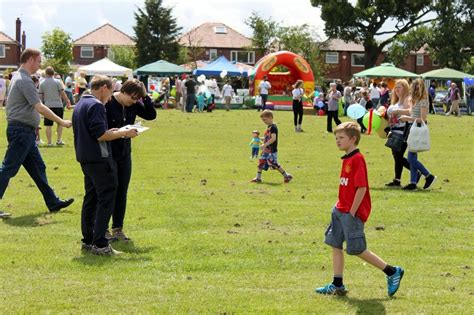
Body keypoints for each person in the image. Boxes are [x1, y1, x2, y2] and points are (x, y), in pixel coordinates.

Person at [315, 121, 404, 297]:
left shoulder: (358, 159)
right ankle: (337, 284)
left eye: (341, 138)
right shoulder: (347, 158)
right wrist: (339, 205)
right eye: (336, 138)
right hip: (340, 209)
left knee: (357, 249)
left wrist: (352, 211)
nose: (337, 141)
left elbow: (361, 188)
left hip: (351, 212)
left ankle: (392, 271)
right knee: (335, 244)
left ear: (353, 139)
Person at [0, 48, 74, 219]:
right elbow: (39, 107)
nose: (40, 65)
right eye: (39, 61)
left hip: (24, 131)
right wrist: (61, 121)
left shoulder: (18, 77)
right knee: (9, 168)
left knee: (38, 167)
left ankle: (53, 202)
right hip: (21, 132)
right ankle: (53, 201)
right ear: (31, 59)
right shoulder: (24, 80)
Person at [72, 75, 138, 256]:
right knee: (107, 197)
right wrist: (123, 134)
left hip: (85, 157)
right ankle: (100, 243)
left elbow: (95, 131)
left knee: (91, 199)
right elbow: (100, 135)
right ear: (103, 88)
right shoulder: (96, 105)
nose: (111, 97)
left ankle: (87, 240)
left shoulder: (80, 104)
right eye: (110, 92)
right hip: (100, 159)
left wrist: (118, 130)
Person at [105, 79, 156, 242]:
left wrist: (145, 96)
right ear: (124, 91)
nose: (134, 102)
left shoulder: (133, 105)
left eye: (137, 99)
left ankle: (118, 228)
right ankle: (103, 228)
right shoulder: (107, 103)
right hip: (108, 153)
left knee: (122, 191)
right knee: (108, 190)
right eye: (133, 98)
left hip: (125, 153)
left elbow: (151, 114)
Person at [399, 79, 437, 190]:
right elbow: (410, 111)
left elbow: (423, 119)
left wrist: (407, 118)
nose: (414, 89)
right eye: (414, 86)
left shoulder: (423, 100)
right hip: (411, 128)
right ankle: (413, 182)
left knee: (411, 158)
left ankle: (428, 175)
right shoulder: (414, 99)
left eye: (417, 87)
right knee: (412, 156)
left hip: (417, 129)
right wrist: (397, 111)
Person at [250, 110, 293, 184]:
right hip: (266, 150)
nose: (264, 121)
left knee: (274, 164)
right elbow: (268, 137)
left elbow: (273, 138)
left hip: (271, 150)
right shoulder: (269, 127)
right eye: (263, 120)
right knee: (261, 162)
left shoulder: (273, 127)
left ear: (270, 117)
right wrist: (260, 138)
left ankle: (286, 175)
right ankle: (258, 178)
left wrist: (264, 145)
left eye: (265, 119)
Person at [385, 79, 413, 187]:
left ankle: (417, 170)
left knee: (399, 156)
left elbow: (411, 110)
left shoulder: (407, 99)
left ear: (405, 88)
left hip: (403, 131)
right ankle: (397, 180)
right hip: (394, 131)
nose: (396, 89)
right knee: (396, 156)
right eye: (395, 87)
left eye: (399, 87)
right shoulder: (395, 101)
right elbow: (390, 117)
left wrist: (398, 111)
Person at [39, 66, 71, 146]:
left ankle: (49, 142)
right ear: (53, 73)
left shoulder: (42, 83)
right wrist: (68, 102)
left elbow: (40, 97)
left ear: (46, 73)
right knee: (60, 123)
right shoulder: (58, 82)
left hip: (47, 106)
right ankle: (59, 140)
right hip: (58, 105)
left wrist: (41, 105)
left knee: (48, 125)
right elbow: (62, 93)